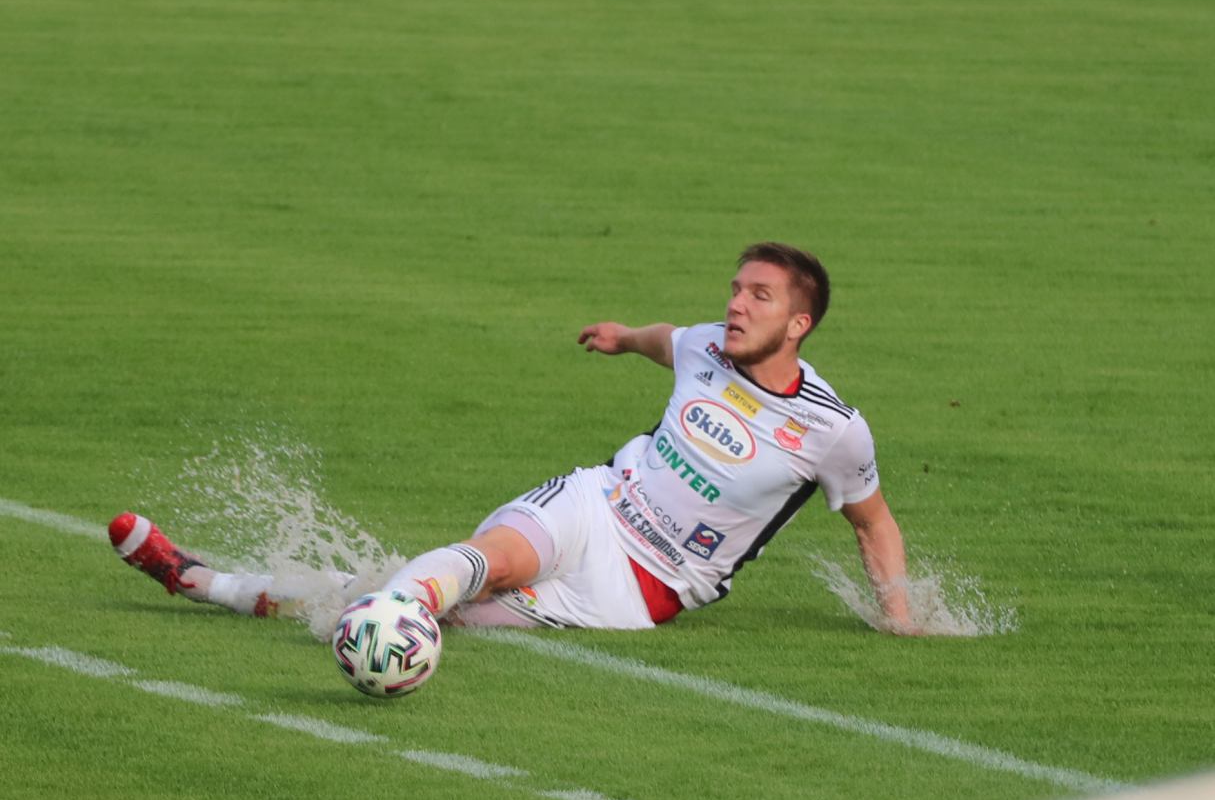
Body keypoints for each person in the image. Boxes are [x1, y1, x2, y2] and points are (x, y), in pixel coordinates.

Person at [109, 242, 918, 635]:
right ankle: (384, 614)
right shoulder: (708, 341)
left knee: (442, 612)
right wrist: (620, 337)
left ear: (797, 323)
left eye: (759, 296)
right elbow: (665, 338)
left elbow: (873, 522)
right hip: (597, 503)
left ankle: (204, 582)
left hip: (640, 591)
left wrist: (901, 617)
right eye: (735, 288)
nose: (736, 303)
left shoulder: (830, 429)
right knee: (479, 564)